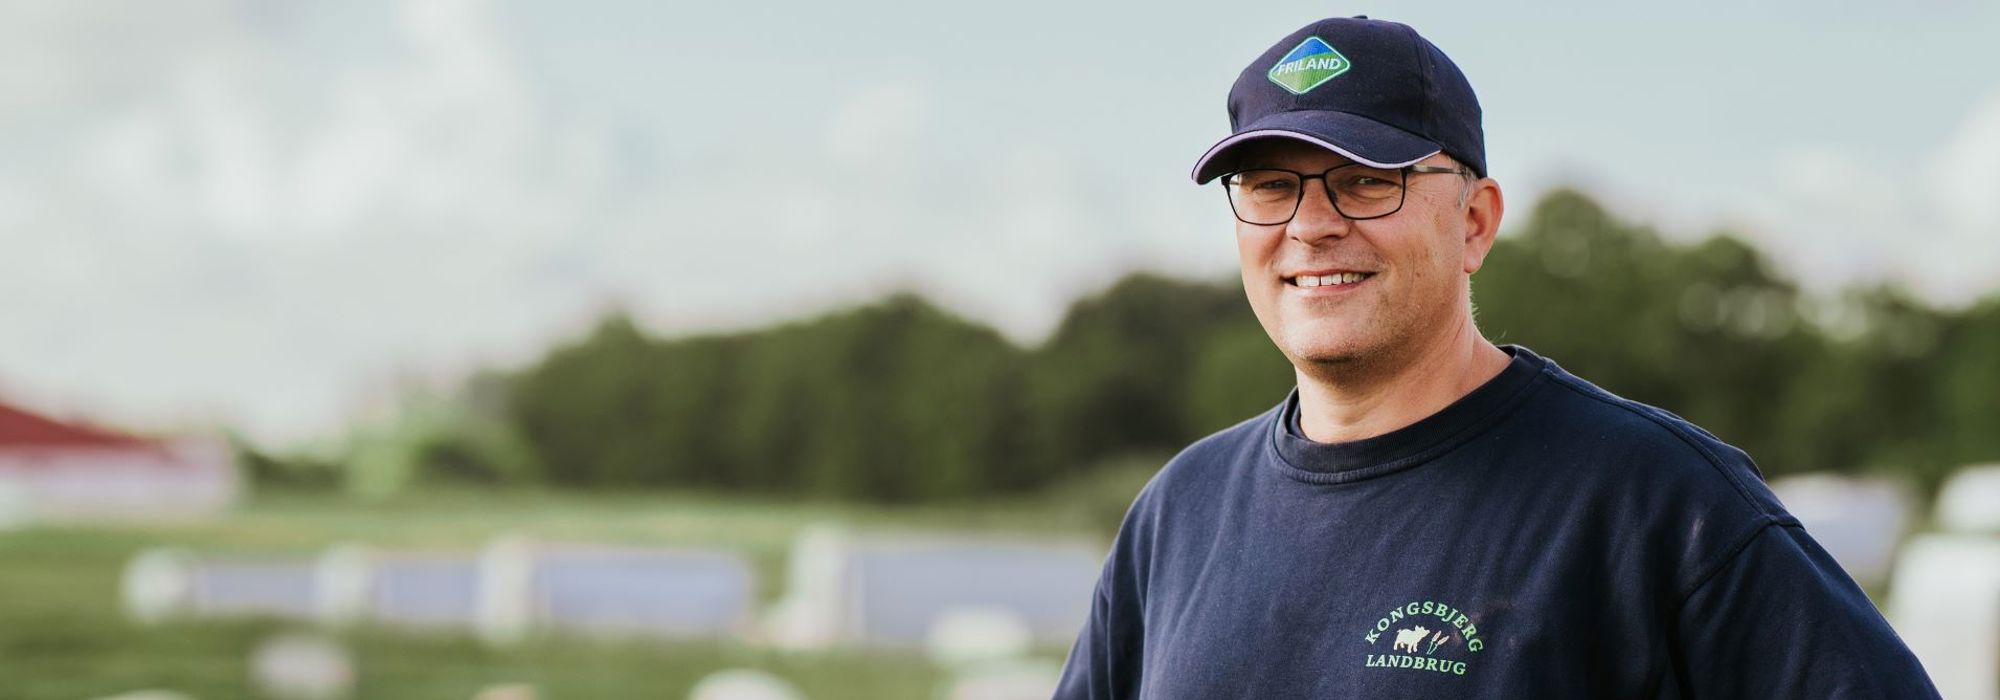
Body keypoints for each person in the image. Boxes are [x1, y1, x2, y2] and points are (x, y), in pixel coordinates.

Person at [1051, 15, 1940, 699]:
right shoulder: (1178, 514)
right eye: (1271, 186)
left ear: (1474, 222)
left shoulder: (1660, 504)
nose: (1311, 225)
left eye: (1367, 180)